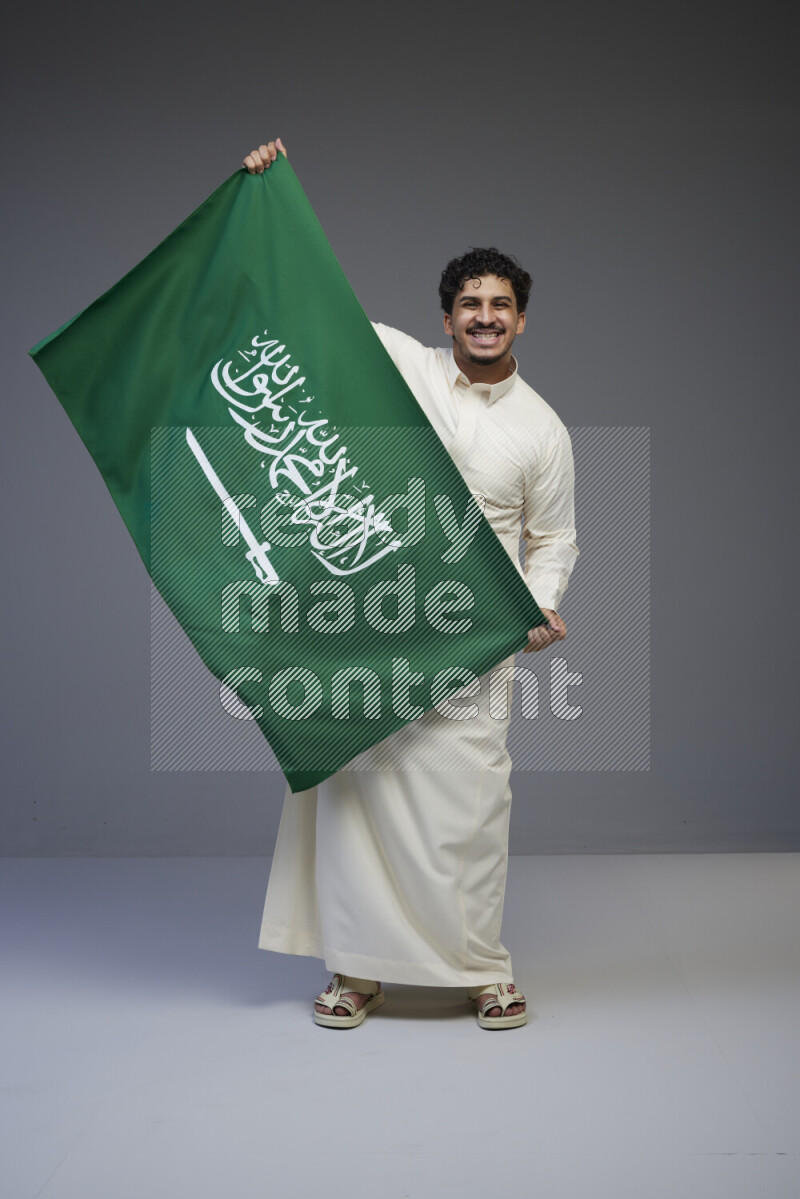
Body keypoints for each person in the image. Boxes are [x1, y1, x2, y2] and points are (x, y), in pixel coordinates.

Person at [243, 140, 578, 1029]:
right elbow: (319, 307)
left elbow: (555, 535)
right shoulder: (400, 369)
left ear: (521, 321)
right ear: (444, 318)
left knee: (470, 804)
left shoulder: (543, 431)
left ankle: (481, 968)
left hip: (475, 635)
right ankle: (356, 971)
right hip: (373, 618)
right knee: (359, 790)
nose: (484, 317)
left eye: (500, 305)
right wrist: (269, 196)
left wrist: (541, 601)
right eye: (469, 303)